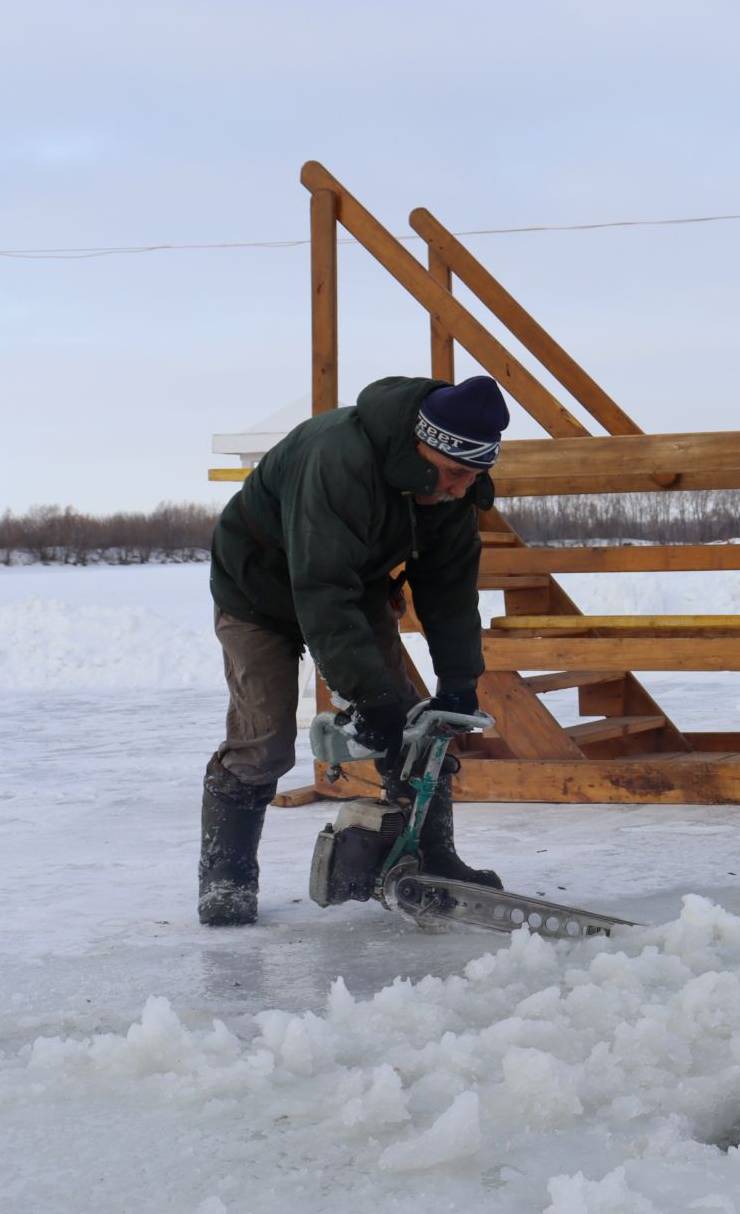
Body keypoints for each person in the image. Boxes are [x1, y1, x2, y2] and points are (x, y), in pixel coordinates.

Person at [198, 374, 510, 927]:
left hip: (351, 585)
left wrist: (459, 680)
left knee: (419, 727)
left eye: (475, 476)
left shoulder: (450, 488)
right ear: (423, 446)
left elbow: (449, 591)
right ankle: (227, 878)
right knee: (264, 741)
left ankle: (433, 857)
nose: (463, 489)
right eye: (457, 474)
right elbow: (319, 588)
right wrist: (371, 698)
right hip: (257, 593)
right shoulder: (335, 458)